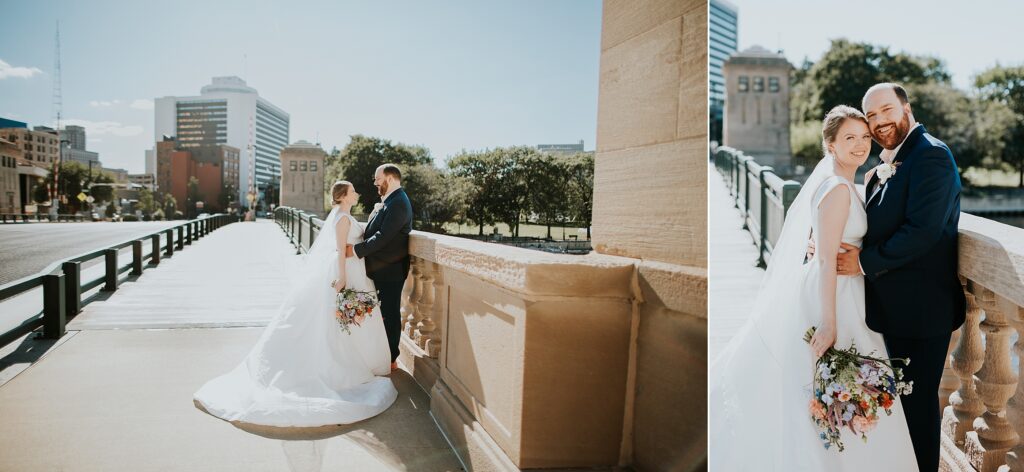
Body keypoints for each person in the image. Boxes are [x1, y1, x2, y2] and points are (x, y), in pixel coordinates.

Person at [709, 105, 918, 470]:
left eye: (864, 137)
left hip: (848, 291)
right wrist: (828, 322)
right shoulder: (837, 188)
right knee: (821, 387)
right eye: (849, 138)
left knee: (839, 388)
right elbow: (823, 260)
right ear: (831, 145)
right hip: (832, 295)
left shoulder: (851, 184)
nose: (859, 145)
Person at [193, 180, 396, 427]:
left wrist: (375, 212)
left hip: (354, 271)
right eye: (353, 191)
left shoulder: (345, 216)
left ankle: (356, 359)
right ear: (343, 196)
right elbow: (340, 250)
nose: (357, 193)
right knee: (337, 321)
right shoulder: (342, 219)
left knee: (344, 321)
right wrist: (342, 277)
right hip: (346, 271)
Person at [344, 163, 413, 370]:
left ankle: (391, 358)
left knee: (391, 314)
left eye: (378, 179)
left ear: (390, 179)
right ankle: (381, 354)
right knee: (382, 313)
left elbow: (383, 237)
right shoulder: (390, 200)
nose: (375, 183)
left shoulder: (399, 202)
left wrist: (356, 250)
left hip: (391, 270)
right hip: (382, 268)